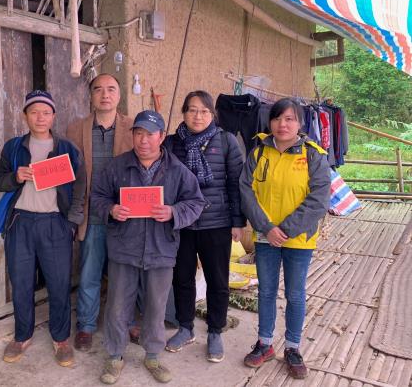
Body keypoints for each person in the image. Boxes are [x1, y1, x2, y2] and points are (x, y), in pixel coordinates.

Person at [91, 110, 206, 384]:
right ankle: (115, 355)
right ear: (132, 135)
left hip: (161, 249)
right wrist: (111, 209)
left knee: (156, 306)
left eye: (150, 134)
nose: (143, 140)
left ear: (161, 137)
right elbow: (97, 196)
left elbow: (196, 202)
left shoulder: (177, 170)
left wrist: (173, 212)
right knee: (117, 305)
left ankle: (152, 355)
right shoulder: (117, 167)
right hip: (124, 247)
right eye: (138, 133)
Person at [0, 90, 86, 367]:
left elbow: (80, 185)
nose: (40, 117)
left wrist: (72, 221)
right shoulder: (14, 147)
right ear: (25, 116)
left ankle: (61, 338)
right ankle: (22, 336)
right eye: (34, 112)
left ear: (53, 116)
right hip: (20, 222)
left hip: (55, 223)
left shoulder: (66, 148)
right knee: (21, 282)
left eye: (46, 112)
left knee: (58, 283)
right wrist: (15, 176)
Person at [239, 97, 330, 379]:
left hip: (298, 239)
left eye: (290, 119)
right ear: (270, 121)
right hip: (265, 236)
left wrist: (286, 229)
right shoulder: (258, 152)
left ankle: (292, 347)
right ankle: (264, 343)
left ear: (300, 123)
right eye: (277, 118)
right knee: (266, 291)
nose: (282, 124)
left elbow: (319, 199)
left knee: (295, 294)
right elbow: (246, 191)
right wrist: (267, 228)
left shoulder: (313, 155)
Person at [163, 90, 246, 362]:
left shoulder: (226, 141)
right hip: (182, 224)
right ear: (184, 113)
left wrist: (238, 222)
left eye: (204, 111)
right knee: (182, 278)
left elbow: (235, 184)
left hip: (217, 222)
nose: (197, 116)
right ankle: (185, 327)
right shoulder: (172, 143)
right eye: (192, 110)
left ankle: (215, 330)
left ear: (212, 114)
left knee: (217, 280)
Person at [66, 73, 133, 352]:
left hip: (125, 215)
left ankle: (126, 322)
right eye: (98, 89)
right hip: (92, 215)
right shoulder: (75, 130)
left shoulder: (133, 128)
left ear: (119, 95)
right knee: (89, 273)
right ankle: (86, 325)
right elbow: (68, 172)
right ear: (91, 95)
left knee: (124, 276)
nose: (105, 95)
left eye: (111, 89)